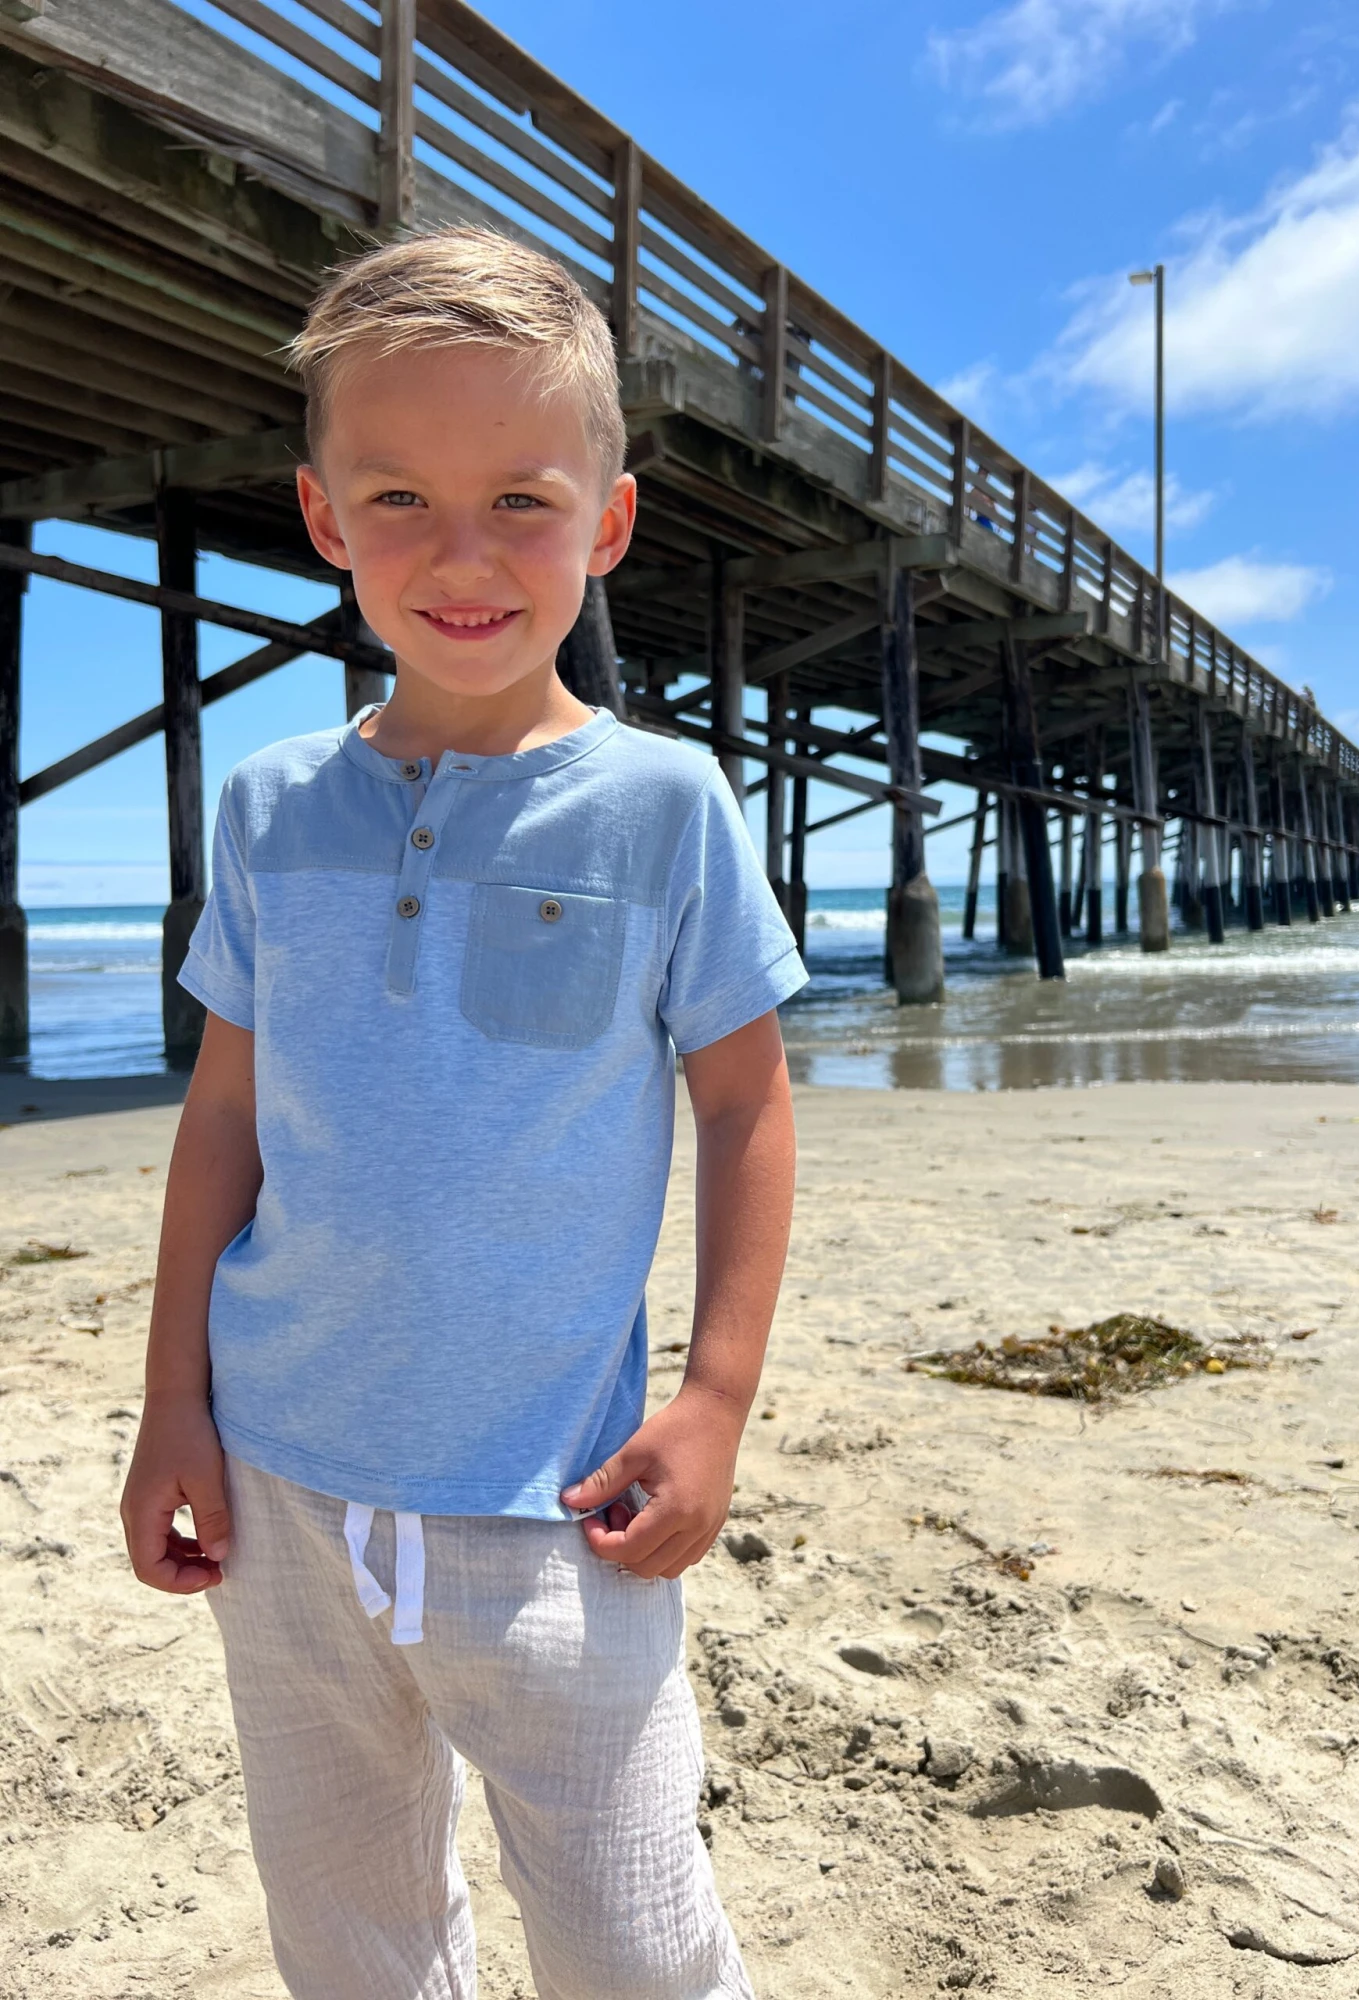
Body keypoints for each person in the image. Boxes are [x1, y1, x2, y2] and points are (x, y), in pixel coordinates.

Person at [120, 226, 805, 2000]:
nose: (467, 556)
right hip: (280, 1488)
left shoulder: (666, 807)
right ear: (326, 517)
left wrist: (716, 1397)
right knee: (348, 1932)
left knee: (635, 1945)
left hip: (560, 1497)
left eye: (523, 500)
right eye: (403, 501)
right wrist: (170, 1399)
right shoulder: (271, 810)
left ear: (612, 523)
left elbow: (743, 1102)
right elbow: (222, 1123)